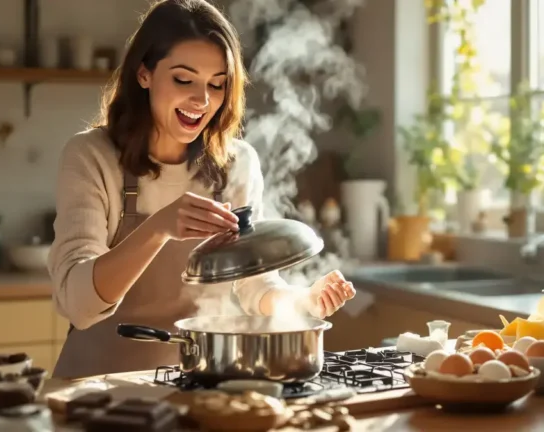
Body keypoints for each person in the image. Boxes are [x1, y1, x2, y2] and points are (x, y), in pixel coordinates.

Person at [48, 0, 356, 379]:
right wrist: (158, 228)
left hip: (195, 380)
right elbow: (78, 304)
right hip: (95, 385)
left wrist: (303, 301)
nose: (203, 100)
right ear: (144, 73)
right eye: (184, 80)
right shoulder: (91, 156)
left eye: (217, 84)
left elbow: (255, 287)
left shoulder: (236, 164)